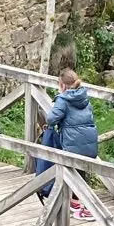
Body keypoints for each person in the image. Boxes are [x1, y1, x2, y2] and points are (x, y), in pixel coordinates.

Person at [34, 69, 98, 217]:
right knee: (81, 173)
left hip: (72, 141)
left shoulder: (63, 99)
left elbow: (51, 119)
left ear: (62, 85)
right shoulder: (84, 96)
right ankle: (77, 202)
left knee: (69, 172)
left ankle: (88, 209)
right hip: (88, 140)